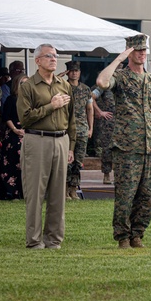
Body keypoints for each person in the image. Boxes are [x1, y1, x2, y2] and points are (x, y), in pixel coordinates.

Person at [97, 34, 151, 249]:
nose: (142, 54)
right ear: (129, 52)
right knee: (126, 194)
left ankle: (137, 234)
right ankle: (123, 236)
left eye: (144, 50)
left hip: (148, 145)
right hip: (126, 146)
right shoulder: (121, 77)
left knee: (147, 196)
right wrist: (118, 58)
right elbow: (102, 82)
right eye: (137, 50)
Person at [17, 44, 76, 249]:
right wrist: (52, 106)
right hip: (37, 140)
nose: (54, 59)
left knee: (58, 194)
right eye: (49, 56)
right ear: (38, 61)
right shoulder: (28, 86)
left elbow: (72, 119)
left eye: (55, 56)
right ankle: (34, 241)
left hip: (61, 140)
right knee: (35, 193)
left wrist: (71, 146)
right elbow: (24, 119)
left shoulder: (64, 85)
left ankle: (54, 240)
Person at [64, 60, 95, 200]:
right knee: (66, 161)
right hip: (66, 129)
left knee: (78, 161)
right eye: (71, 71)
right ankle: (64, 189)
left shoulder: (85, 89)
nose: (74, 73)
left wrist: (91, 128)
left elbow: (90, 109)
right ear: (67, 72)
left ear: (80, 72)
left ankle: (73, 189)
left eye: (76, 71)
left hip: (82, 129)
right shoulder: (62, 87)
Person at [0, 73, 27, 199]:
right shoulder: (11, 99)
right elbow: (6, 117)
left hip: (28, 134)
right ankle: (11, 191)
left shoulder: (32, 100)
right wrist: (15, 129)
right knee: (12, 163)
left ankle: (24, 191)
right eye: (22, 83)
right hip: (14, 134)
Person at [92, 87, 116, 184]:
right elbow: (91, 97)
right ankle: (106, 174)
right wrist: (99, 112)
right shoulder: (105, 86)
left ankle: (120, 176)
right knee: (107, 149)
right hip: (108, 123)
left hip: (124, 123)